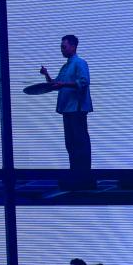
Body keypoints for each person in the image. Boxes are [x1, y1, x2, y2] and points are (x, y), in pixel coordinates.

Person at [40, 35, 92, 173]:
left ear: (73, 46)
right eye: (61, 47)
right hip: (67, 109)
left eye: (64, 47)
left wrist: (63, 84)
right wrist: (46, 74)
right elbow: (56, 84)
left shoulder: (80, 63)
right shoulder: (65, 66)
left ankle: (84, 174)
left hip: (77, 109)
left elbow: (84, 81)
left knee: (80, 142)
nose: (62, 49)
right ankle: (74, 173)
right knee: (70, 143)